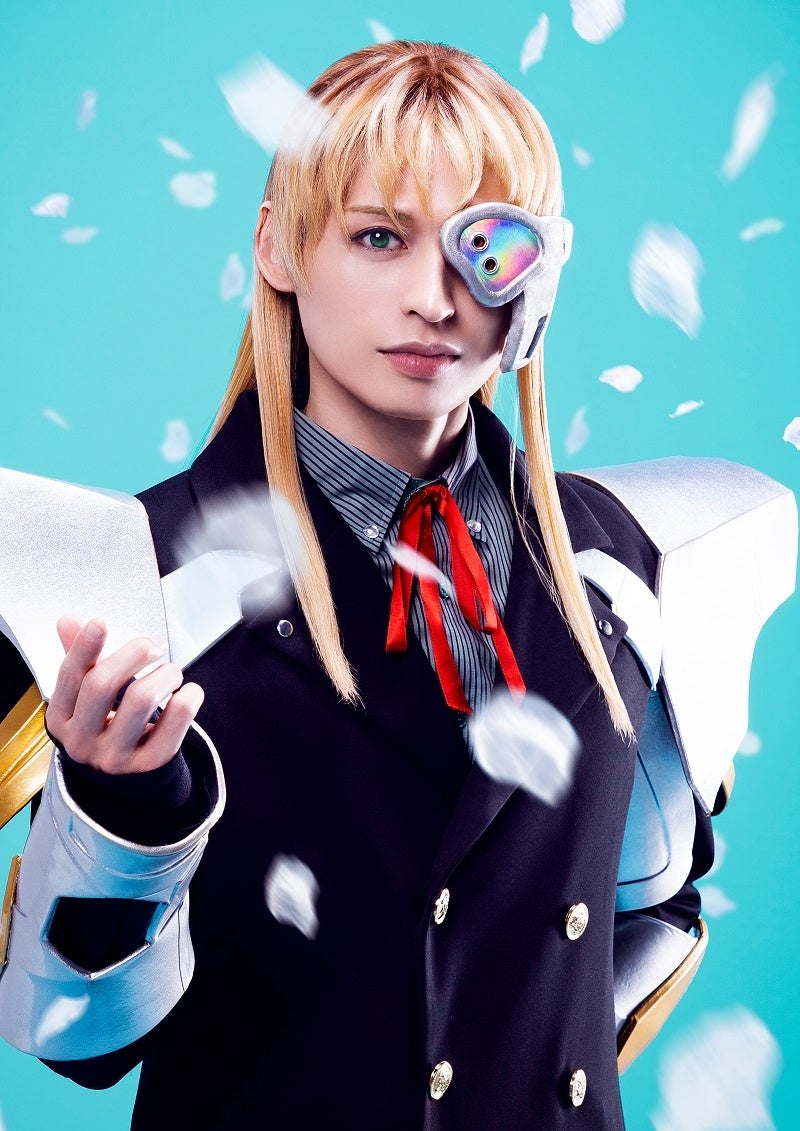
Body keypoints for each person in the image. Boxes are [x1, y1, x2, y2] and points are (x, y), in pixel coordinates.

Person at [0, 40, 795, 1131]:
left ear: (538, 277)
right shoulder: (134, 574)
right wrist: (128, 808)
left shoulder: (632, 561)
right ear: (279, 245)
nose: (435, 299)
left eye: (486, 246)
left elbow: (644, 915)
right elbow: (72, 1044)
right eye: (379, 237)